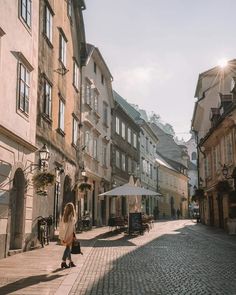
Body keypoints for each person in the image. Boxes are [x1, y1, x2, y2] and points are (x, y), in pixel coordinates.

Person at [59, 202, 77, 268]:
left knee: (68, 248)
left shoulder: (64, 216)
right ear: (72, 209)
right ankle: (63, 262)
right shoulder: (71, 216)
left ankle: (71, 262)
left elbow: (63, 227)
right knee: (68, 248)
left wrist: (63, 236)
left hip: (66, 234)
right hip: (70, 234)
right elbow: (72, 226)